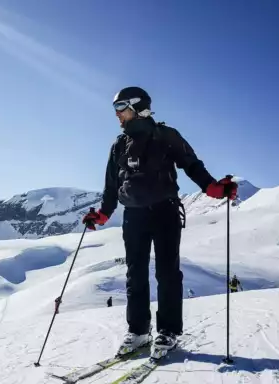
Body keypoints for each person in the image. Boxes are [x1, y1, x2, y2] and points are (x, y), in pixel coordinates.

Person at [82, 86, 238, 358]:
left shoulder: (167, 136)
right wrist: (104, 213)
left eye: (121, 108)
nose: (117, 115)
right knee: (135, 274)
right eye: (116, 109)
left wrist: (212, 187)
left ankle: (168, 331)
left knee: (167, 272)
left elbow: (192, 165)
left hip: (165, 211)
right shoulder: (119, 144)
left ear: (137, 107)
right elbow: (111, 186)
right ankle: (139, 331)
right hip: (134, 216)